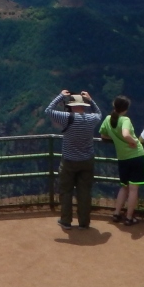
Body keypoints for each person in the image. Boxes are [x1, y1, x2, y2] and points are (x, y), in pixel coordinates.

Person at [44, 89, 103, 228]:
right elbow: (99, 114)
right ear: (83, 106)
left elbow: (48, 110)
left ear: (70, 105)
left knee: (66, 191)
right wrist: (90, 100)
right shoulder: (91, 119)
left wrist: (60, 96)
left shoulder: (66, 117)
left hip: (69, 161)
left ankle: (66, 221)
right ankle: (84, 222)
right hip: (87, 161)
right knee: (85, 192)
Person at [99, 95, 144, 225]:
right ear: (125, 109)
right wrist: (133, 142)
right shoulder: (125, 120)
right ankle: (129, 217)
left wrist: (116, 139)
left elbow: (103, 135)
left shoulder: (108, 119)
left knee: (124, 187)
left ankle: (116, 213)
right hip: (136, 156)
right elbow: (126, 134)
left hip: (122, 158)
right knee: (134, 189)